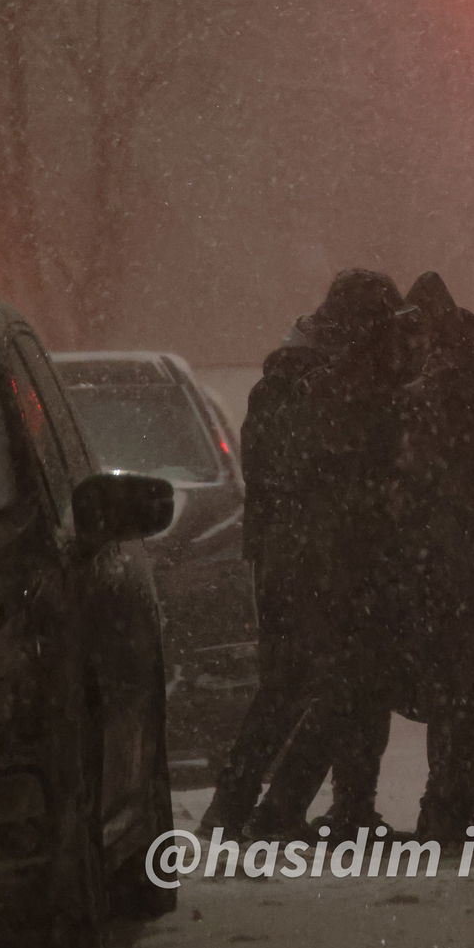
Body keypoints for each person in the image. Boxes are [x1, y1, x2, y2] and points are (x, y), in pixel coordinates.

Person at [244, 269, 415, 836]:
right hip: (326, 561)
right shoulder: (317, 387)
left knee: (325, 690)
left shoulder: (297, 382)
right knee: (343, 689)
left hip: (308, 558)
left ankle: (307, 809)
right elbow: (315, 476)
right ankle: (277, 809)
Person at [199, 309, 338, 837]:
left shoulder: (276, 390)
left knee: (287, 690)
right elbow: (307, 476)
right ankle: (260, 809)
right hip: (304, 563)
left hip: (286, 560)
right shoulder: (299, 394)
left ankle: (239, 807)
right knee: (329, 690)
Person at [393, 273, 474, 840]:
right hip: (471, 553)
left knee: (448, 688)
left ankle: (444, 803)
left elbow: (406, 475)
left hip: (432, 556)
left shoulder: (414, 399)